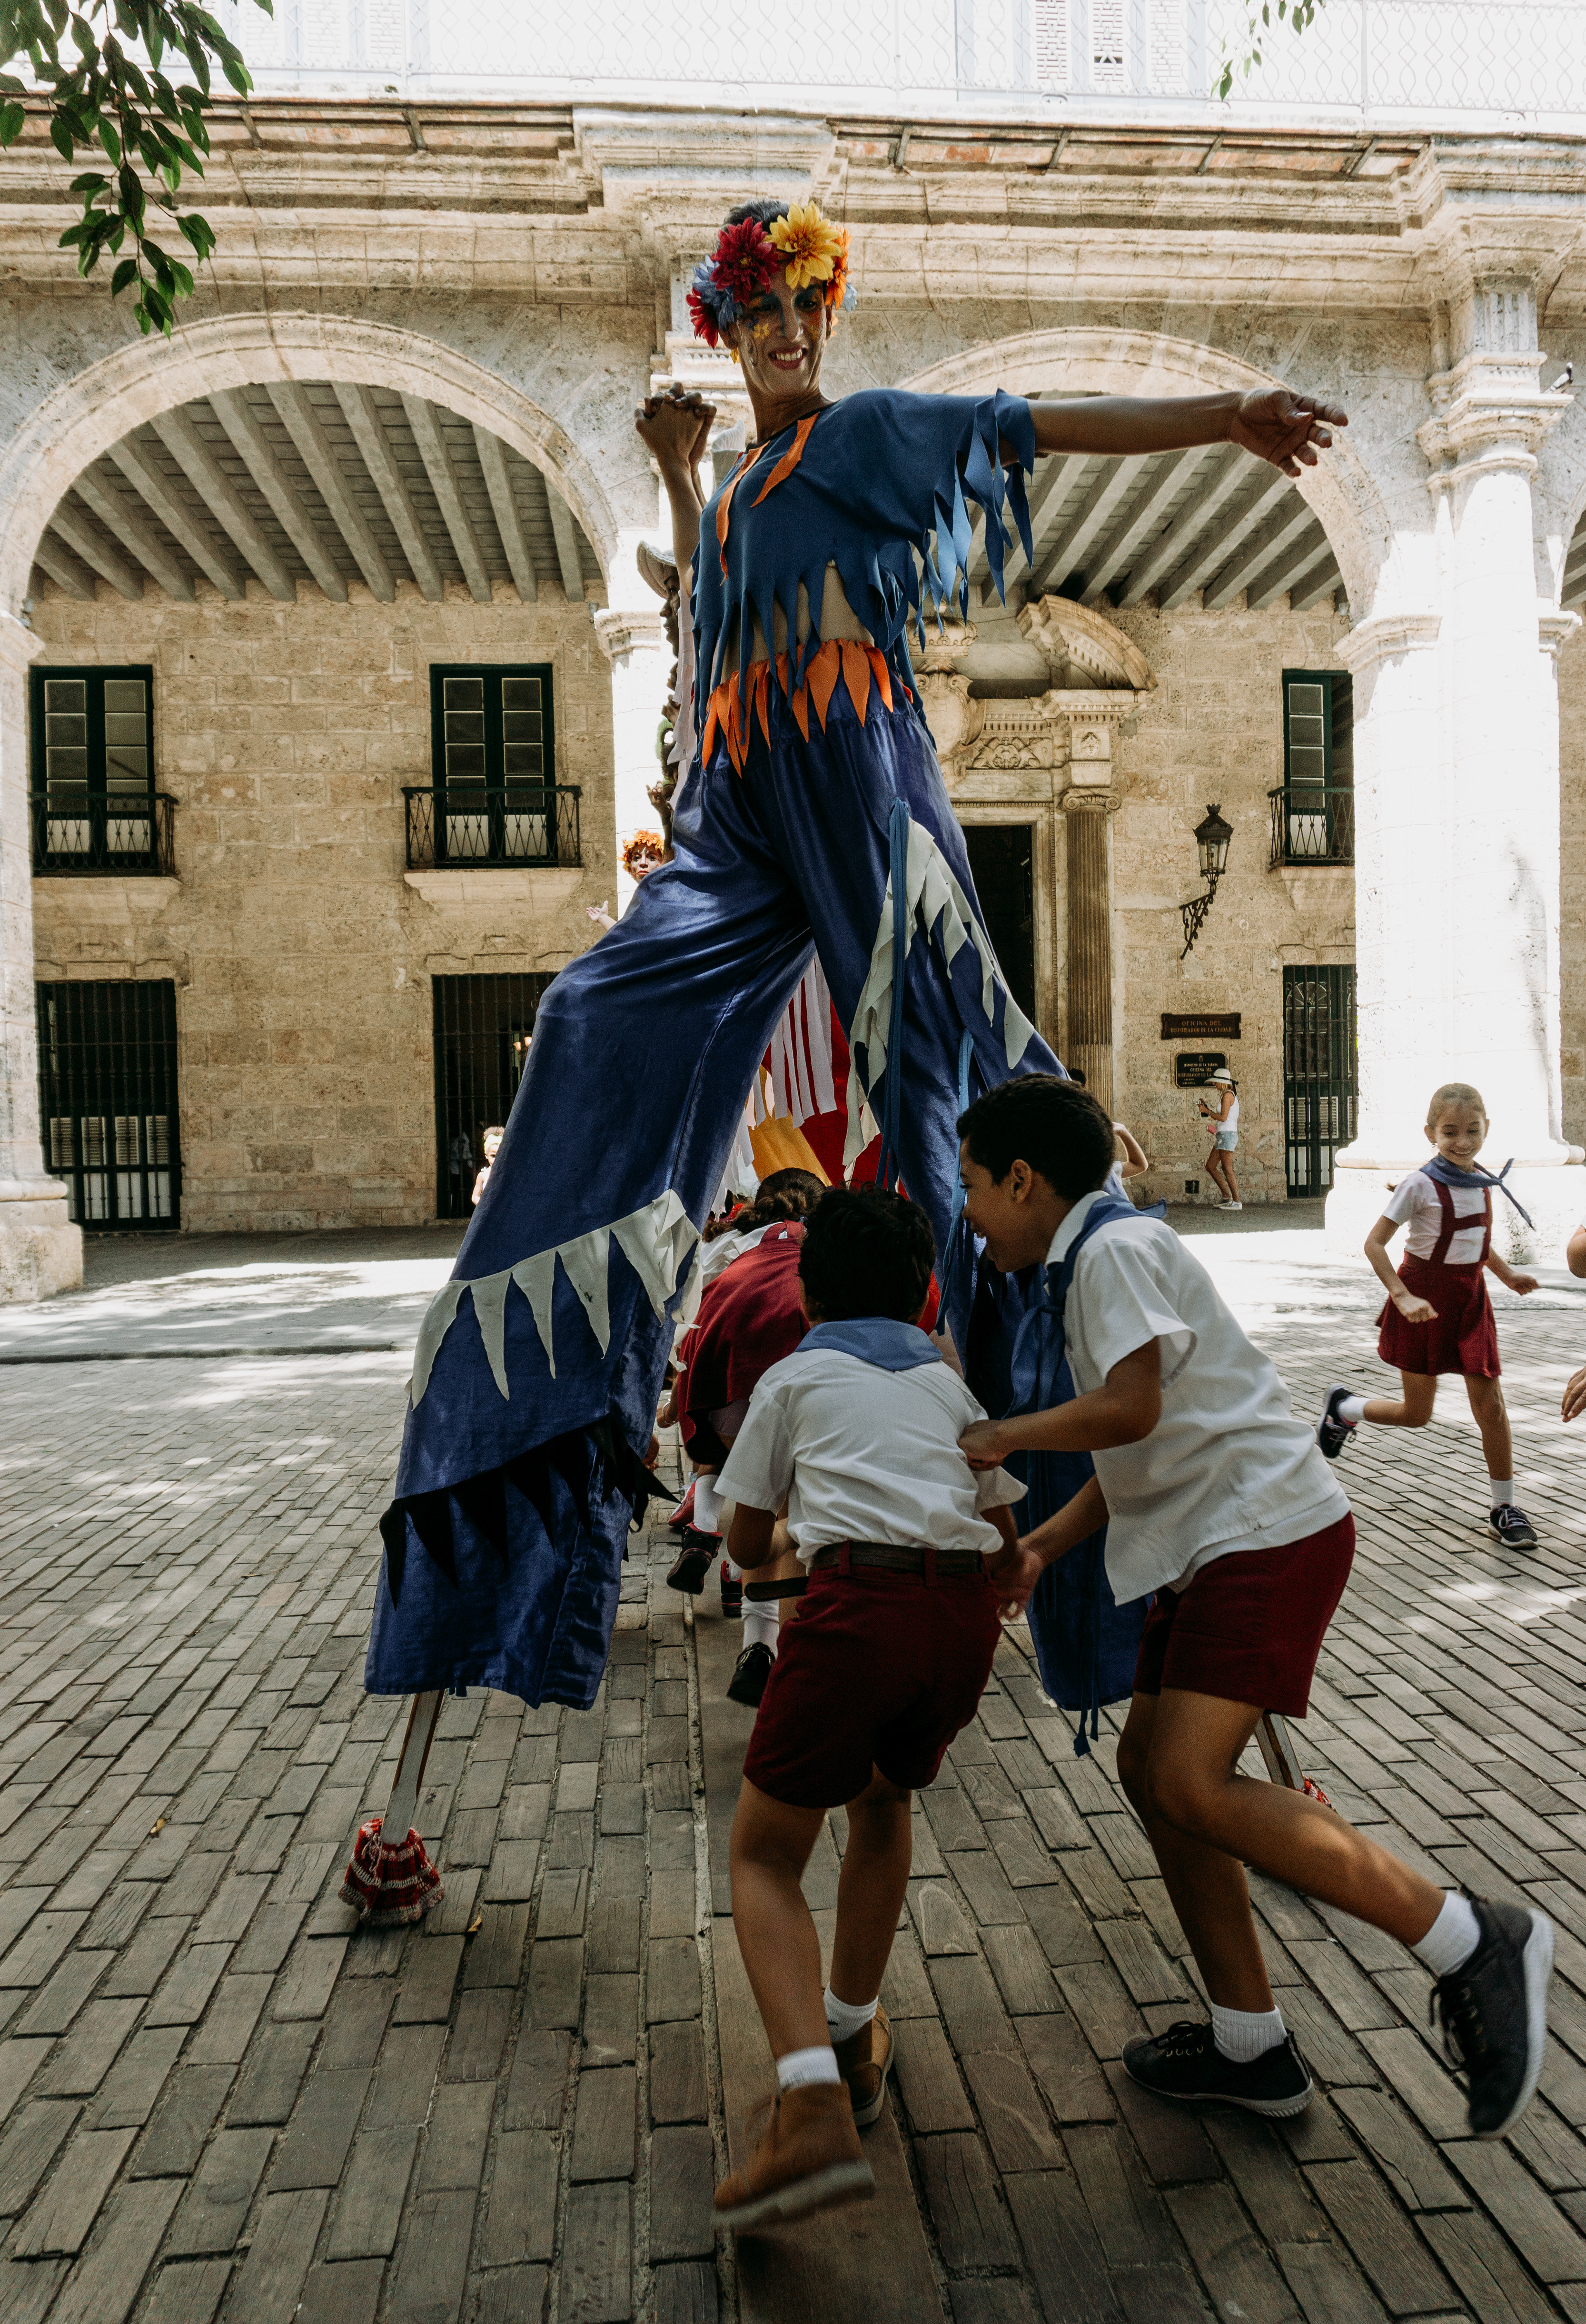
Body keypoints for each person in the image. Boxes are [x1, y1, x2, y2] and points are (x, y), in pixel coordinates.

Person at [366, 189, 1347, 1722]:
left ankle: (1096, 1505)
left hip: (860, 779)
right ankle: (526, 1428)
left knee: (962, 1107)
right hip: (748, 806)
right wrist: (682, 482)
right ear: (729, 330)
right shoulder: (752, 487)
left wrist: (1226, 415)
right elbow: (715, 619)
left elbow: (1031, 425)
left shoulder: (872, 428)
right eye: (761, 315)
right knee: (588, 1027)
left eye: (804, 310)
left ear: (822, 318)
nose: (788, 333)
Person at [956, 1073, 1554, 2139]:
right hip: (1215, 1539)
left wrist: (999, 1435)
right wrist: (1045, 1541)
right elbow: (1147, 1427)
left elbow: (1128, 1405)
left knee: (1188, 1775)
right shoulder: (1095, 1251)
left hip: (1263, 1533)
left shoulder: (1110, 1252)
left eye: (970, 1185)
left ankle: (1472, 1935)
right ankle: (1251, 2045)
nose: (965, 1210)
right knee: (1153, 1773)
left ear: (1020, 1178)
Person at [710, 1185, 1036, 2230]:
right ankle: (851, 2032)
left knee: (763, 1853)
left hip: (856, 1611)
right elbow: (1000, 1518)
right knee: (883, 1801)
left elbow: (744, 1540)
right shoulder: (946, 1379)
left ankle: (807, 2097)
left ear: (806, 1292)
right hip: (960, 1624)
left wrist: (782, 1540)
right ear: (918, 1291)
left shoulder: (795, 1375)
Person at [1317, 1082, 1540, 1552]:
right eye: (1451, 1132)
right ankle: (1345, 1408)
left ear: (1487, 1130)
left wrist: (1506, 1275)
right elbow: (1374, 1244)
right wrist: (1401, 1296)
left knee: (1492, 1407)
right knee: (1417, 1415)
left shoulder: (1482, 1180)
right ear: (1431, 1133)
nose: (1463, 1141)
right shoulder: (1419, 1184)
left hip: (1471, 1300)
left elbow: (1477, 1241)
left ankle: (1504, 1507)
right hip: (1422, 1301)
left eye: (1472, 1131)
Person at [668, 1170, 824, 1706]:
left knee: (756, 1500)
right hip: (796, 1364)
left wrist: (676, 1396)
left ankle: (756, 1639)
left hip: (730, 1378)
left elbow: (698, 1314)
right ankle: (781, 1641)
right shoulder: (823, 1247)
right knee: (791, 1515)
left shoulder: (734, 1246)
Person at [1198, 1068, 1241, 1210]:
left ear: (1222, 1083)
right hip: (1224, 1135)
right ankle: (1226, 1197)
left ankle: (1237, 1202)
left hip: (1227, 1135)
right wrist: (1208, 1109)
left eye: (1215, 1082)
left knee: (1227, 1169)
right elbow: (1223, 1116)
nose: (1214, 1085)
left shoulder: (1228, 1095)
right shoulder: (1227, 1094)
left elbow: (1223, 1117)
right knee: (1211, 1166)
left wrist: (1207, 1111)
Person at [470, 1126, 504, 1208]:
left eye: (500, 1156)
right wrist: (485, 1206)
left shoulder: (507, 1174)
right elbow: (475, 1197)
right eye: (493, 1156)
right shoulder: (483, 1175)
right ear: (487, 1156)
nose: (496, 1160)